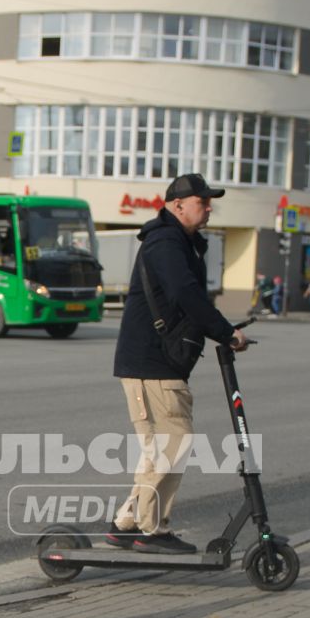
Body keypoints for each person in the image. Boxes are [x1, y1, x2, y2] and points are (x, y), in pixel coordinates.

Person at [108, 173, 247, 554]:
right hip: (151, 362)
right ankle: (149, 531)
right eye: (203, 202)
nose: (209, 208)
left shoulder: (179, 242)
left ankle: (127, 523)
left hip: (158, 362)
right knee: (172, 444)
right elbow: (185, 293)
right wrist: (224, 331)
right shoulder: (166, 242)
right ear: (177, 205)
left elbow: (188, 295)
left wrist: (223, 330)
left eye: (209, 202)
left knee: (164, 447)